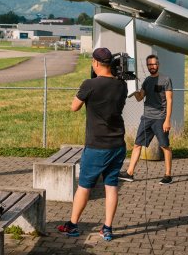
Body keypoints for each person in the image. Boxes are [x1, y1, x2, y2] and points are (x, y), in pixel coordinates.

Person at [57, 48, 127, 241]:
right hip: (118, 143)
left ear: (96, 63)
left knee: (84, 186)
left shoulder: (89, 84)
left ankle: (72, 225)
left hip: (97, 145)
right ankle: (107, 228)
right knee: (111, 186)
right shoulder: (122, 85)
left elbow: (74, 107)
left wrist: (86, 87)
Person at [119, 54, 174, 185]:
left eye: (154, 64)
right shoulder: (147, 80)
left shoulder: (165, 79)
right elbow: (140, 98)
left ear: (158, 65)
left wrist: (167, 120)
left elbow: (170, 100)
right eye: (149, 65)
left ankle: (168, 175)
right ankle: (130, 173)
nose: (152, 67)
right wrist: (133, 90)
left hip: (160, 119)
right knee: (137, 144)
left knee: (164, 146)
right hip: (146, 118)